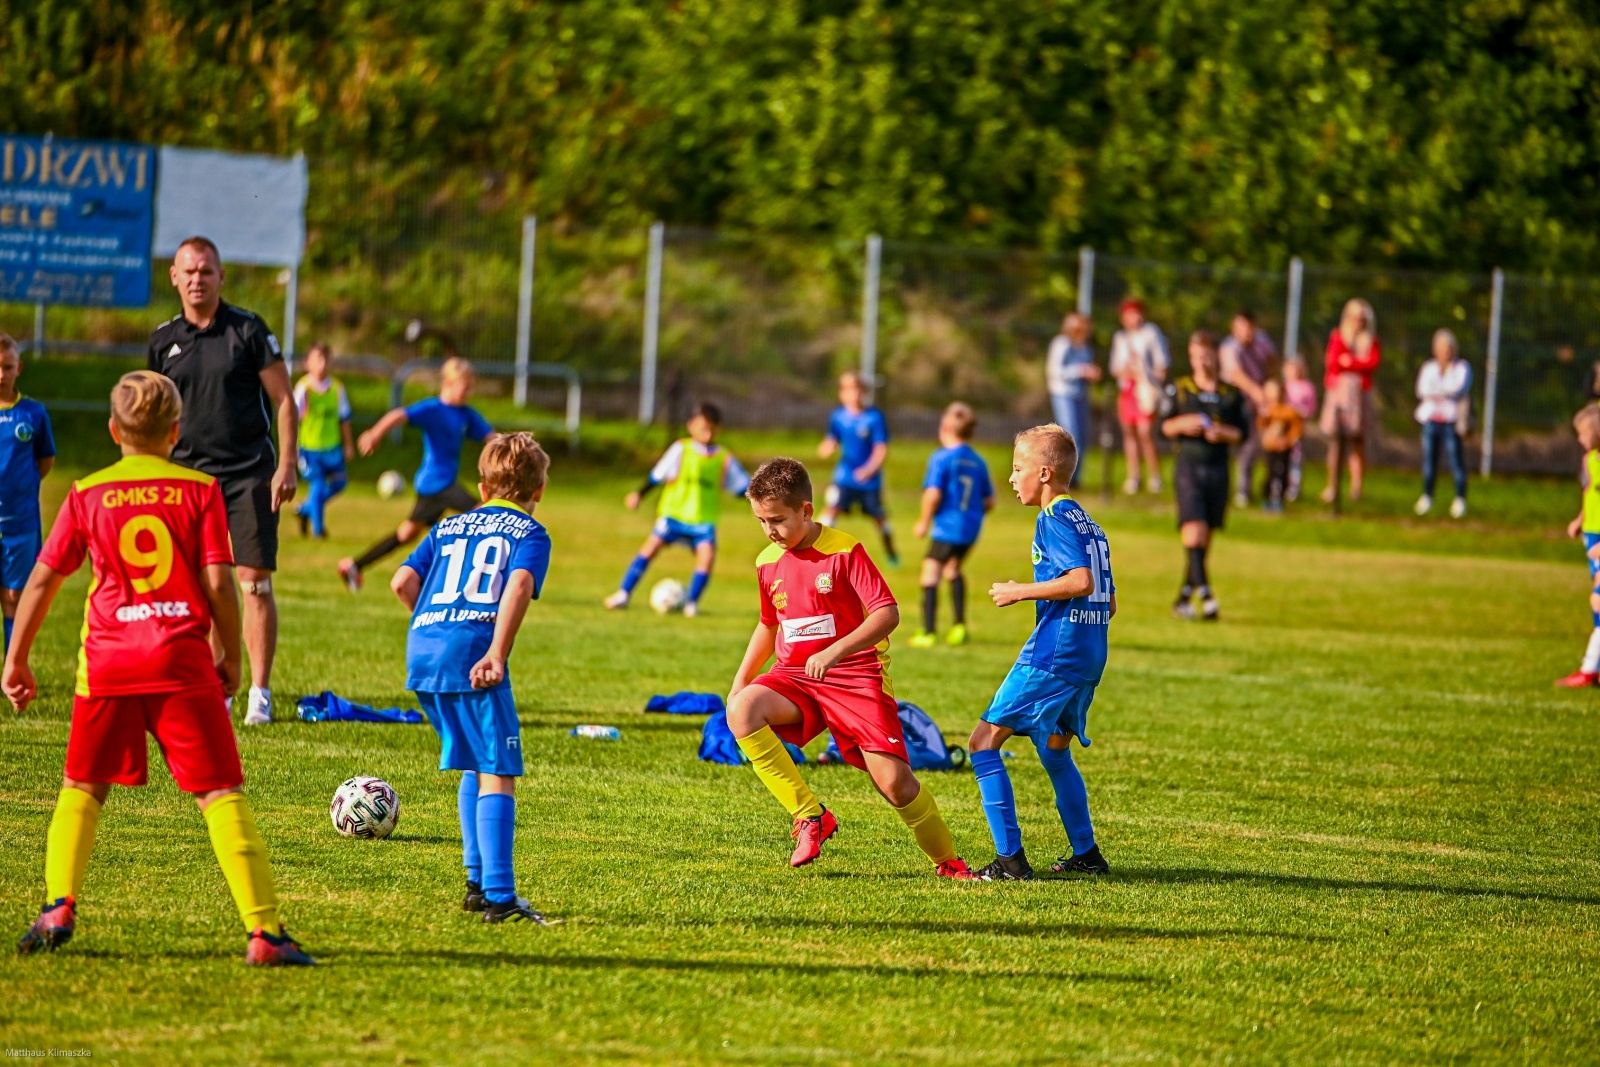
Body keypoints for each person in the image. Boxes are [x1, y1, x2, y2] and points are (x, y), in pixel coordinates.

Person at [4, 371, 312, 965]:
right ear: (176, 432)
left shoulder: (86, 493)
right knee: (221, 793)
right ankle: (265, 933)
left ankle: (57, 905)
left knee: (81, 790)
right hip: (180, 660)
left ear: (114, 430)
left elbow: (43, 578)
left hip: (108, 665)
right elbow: (219, 582)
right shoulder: (199, 490)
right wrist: (229, 653)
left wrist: (15, 658)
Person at [725, 457, 973, 878]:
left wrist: (835, 651)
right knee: (742, 710)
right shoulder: (767, 562)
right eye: (761, 521)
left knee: (894, 783)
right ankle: (811, 816)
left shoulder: (844, 550)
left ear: (806, 510)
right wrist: (740, 682)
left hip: (856, 676)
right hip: (796, 679)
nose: (769, 531)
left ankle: (949, 862)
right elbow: (770, 623)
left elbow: (887, 614)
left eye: (777, 520)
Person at [392, 432, 556, 924]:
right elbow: (520, 583)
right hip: (474, 653)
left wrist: (431, 628)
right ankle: (501, 898)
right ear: (539, 490)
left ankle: (475, 883)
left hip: (424, 649)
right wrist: (495, 652)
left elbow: (402, 580)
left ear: (482, 488)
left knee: (474, 761)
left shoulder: (448, 526)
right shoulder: (530, 533)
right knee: (498, 770)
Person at [148, 236, 298, 728]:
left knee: (252, 584)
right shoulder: (161, 340)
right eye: (189, 271)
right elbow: (151, 413)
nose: (197, 279)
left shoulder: (249, 331)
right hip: (187, 482)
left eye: (206, 271)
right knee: (205, 587)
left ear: (220, 277)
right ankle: (216, 688)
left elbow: (285, 400)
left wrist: (287, 463)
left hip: (248, 474)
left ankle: (259, 692)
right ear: (174, 276)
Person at [966, 425, 1114, 881]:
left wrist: (1020, 591)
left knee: (982, 742)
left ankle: (1010, 861)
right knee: (1053, 751)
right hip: (1090, 653)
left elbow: (1081, 582)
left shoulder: (1052, 519)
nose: (1011, 478)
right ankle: (1086, 854)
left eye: (1017, 468)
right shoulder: (1090, 524)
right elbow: (1108, 599)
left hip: (1056, 654)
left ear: (1044, 472)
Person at [339, 357, 494, 591]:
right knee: (483, 515)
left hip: (440, 485)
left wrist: (513, 448)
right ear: (448, 384)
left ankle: (354, 565)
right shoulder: (433, 409)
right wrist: (375, 434)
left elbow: (490, 436)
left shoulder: (466, 414)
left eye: (471, 388)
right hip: (436, 483)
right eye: (465, 387)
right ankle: (466, 581)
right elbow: (399, 415)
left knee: (406, 534)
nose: (468, 393)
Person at [603, 402, 750, 617]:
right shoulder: (681, 449)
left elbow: (742, 487)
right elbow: (657, 475)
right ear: (691, 426)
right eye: (702, 427)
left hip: (702, 520)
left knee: (707, 557)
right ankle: (623, 593)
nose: (707, 433)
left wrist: (762, 503)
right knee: (650, 548)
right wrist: (639, 494)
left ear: (719, 429)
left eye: (711, 428)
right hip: (674, 515)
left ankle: (691, 604)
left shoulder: (723, 458)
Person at [1162, 330, 1249, 620]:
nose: (1201, 362)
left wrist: (1221, 432)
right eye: (1196, 356)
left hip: (1218, 469)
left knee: (1205, 537)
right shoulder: (1181, 389)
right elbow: (1163, 427)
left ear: (1216, 356)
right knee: (1194, 529)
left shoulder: (1231, 394)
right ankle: (1207, 596)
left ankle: (1184, 597)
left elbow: (1242, 433)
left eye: (1206, 356)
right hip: (1189, 467)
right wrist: (1184, 424)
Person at [910, 402, 995, 648]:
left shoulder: (942, 457)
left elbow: (933, 494)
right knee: (953, 569)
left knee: (930, 573)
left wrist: (923, 521)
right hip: (970, 529)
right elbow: (989, 500)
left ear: (945, 427)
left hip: (946, 527)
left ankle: (928, 631)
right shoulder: (978, 461)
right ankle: (959, 626)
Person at [0, 333, 55, 656]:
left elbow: (45, 460)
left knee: (13, 596)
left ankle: (12, 666)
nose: (1, 374)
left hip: (20, 524)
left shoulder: (33, 413)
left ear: (19, 368)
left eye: (7, 367)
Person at [818, 370, 898, 565]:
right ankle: (817, 551)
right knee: (831, 509)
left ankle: (891, 553)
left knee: (879, 518)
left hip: (868, 481)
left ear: (864, 392)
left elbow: (881, 449)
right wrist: (827, 446)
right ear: (841, 394)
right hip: (844, 477)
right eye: (848, 389)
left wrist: (869, 469)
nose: (853, 394)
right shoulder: (838, 417)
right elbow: (833, 438)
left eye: (857, 389)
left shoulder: (874, 417)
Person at [1319, 298, 1380, 504]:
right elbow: (1333, 362)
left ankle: (1356, 488)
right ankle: (1332, 486)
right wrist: (1356, 364)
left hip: (1360, 397)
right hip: (1340, 396)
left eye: (1362, 319)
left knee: (1357, 442)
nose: (1358, 323)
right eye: (1354, 318)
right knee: (1336, 443)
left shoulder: (1370, 340)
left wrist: (1351, 362)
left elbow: (1372, 363)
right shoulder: (1338, 336)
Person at [293, 342, 355, 539]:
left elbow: (344, 419)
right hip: (310, 448)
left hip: (332, 447)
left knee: (340, 483)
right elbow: (292, 419)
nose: (322, 363)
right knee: (318, 486)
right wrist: (291, 447)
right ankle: (319, 531)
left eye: (326, 359)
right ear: (307, 363)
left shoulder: (337, 388)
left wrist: (348, 445)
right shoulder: (304, 388)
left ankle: (305, 509)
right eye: (317, 359)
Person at [1108, 298, 1169, 494]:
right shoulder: (1120, 338)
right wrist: (1126, 371)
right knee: (1129, 433)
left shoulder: (1151, 333)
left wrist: (1150, 379)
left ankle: (1155, 476)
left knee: (1145, 433)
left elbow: (1161, 363)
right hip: (1127, 390)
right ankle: (1133, 476)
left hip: (1145, 390)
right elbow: (1115, 367)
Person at [1558, 406, 1600, 687]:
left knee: (1598, 599)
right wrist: (1580, 519)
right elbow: (1590, 492)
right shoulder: (1589, 460)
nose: (1579, 438)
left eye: (1583, 432)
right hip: (1592, 534)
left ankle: (1589, 670)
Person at [1219, 310, 1278, 506]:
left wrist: (1269, 385)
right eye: (1241, 327)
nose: (1246, 332)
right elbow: (1236, 374)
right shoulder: (1229, 347)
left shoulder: (1262, 341)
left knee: (1250, 446)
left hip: (1254, 403)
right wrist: (1257, 392)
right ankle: (1223, 488)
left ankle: (1244, 490)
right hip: (1232, 399)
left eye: (1249, 327)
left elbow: (1271, 361)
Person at [1413, 328, 1472, 519]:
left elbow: (1457, 389)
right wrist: (1443, 391)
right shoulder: (1428, 368)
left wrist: (1437, 391)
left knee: (1456, 461)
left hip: (1451, 422)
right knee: (1429, 461)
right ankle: (1427, 497)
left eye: (1449, 348)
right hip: (1431, 421)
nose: (1446, 352)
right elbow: (1422, 390)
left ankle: (1460, 499)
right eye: (1442, 348)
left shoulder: (1462, 367)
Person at [1046, 312, 1101, 485]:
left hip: (1080, 395)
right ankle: (1064, 476)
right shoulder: (1062, 344)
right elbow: (1055, 371)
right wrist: (1080, 370)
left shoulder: (1085, 348)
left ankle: (1074, 478)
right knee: (1071, 435)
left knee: (1082, 437)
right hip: (1064, 394)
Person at [1255, 379, 1303, 512]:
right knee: (1269, 473)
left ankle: (1280, 499)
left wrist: (1288, 441)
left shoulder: (1289, 411)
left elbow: (1297, 430)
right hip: (1270, 447)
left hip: (1284, 449)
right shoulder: (1268, 411)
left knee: (1282, 473)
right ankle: (1267, 497)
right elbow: (1261, 427)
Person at [1282, 358, 1318, 502]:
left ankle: (1294, 489)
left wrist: (1301, 413)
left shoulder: (1307, 387)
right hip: (1284, 428)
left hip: (1298, 429)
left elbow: (1311, 409)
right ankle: (1280, 485)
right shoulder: (1283, 386)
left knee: (1296, 459)